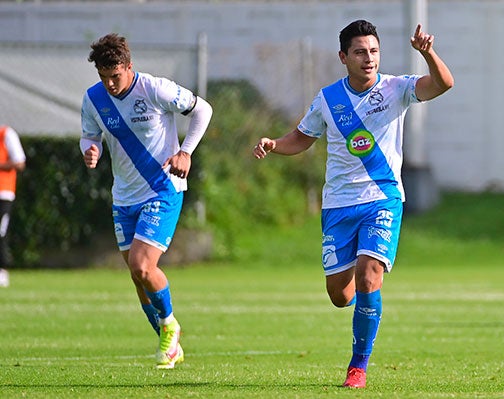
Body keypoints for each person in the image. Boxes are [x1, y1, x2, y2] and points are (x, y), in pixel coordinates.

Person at [253, 20, 453, 388]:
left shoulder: (397, 88)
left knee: (368, 275)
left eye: (374, 51)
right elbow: (301, 137)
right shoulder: (329, 99)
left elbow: (442, 84)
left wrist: (427, 54)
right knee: (339, 294)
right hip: (339, 205)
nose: (369, 59)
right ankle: (364, 303)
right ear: (343, 57)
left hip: (383, 198)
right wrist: (273, 145)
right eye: (360, 52)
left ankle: (357, 367)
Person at [80, 33, 213, 369]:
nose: (110, 84)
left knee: (142, 265)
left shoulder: (154, 89)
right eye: (104, 77)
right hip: (123, 196)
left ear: (129, 66)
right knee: (137, 276)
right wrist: (89, 150)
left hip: (162, 189)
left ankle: (170, 326)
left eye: (116, 76)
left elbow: (203, 110)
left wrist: (185, 151)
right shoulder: (94, 98)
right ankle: (168, 342)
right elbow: (88, 134)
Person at [0, 125, 26, 288]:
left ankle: (2, 270)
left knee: (0, 231)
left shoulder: (6, 134)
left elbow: (19, 162)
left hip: (3, 192)